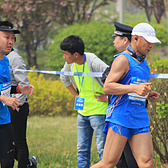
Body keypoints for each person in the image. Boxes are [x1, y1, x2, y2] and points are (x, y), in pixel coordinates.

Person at [90, 23, 161, 168]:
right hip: (120, 117)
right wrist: (134, 88)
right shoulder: (122, 59)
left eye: (152, 42)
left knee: (147, 163)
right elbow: (107, 87)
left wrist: (147, 94)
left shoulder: (144, 63)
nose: (151, 46)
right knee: (108, 164)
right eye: (147, 41)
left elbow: (135, 89)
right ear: (135, 38)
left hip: (139, 117)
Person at [60, 35, 108, 168]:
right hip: (82, 112)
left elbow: (112, 76)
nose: (64, 57)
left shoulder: (93, 61)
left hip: (99, 112)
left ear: (76, 54)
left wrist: (108, 97)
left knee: (103, 151)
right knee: (82, 150)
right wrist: (75, 94)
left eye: (65, 54)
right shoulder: (69, 64)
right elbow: (63, 78)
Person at [103, 21, 138, 168]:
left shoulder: (127, 60)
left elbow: (107, 80)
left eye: (116, 38)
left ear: (125, 40)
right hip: (122, 113)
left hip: (126, 113)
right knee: (117, 161)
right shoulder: (121, 59)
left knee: (131, 159)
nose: (113, 41)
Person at [0, 20, 34, 168]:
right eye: (6, 37)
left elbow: (4, 87)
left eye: (12, 38)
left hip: (4, 119)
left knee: (8, 160)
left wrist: (20, 90)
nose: (10, 42)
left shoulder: (6, 61)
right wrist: (3, 99)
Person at [7, 48, 37, 168]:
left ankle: (26, 164)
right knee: (7, 143)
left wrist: (18, 104)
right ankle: (28, 163)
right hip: (4, 105)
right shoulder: (2, 58)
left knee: (19, 142)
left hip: (16, 106)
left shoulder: (15, 58)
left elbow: (23, 84)